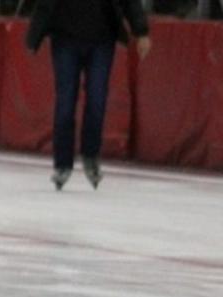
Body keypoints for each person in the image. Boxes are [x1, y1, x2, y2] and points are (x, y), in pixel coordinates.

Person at [27, 0, 151, 190]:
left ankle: (90, 155)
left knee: (97, 100)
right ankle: (62, 163)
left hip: (102, 40)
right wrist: (34, 35)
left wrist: (141, 32)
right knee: (65, 104)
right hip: (65, 39)